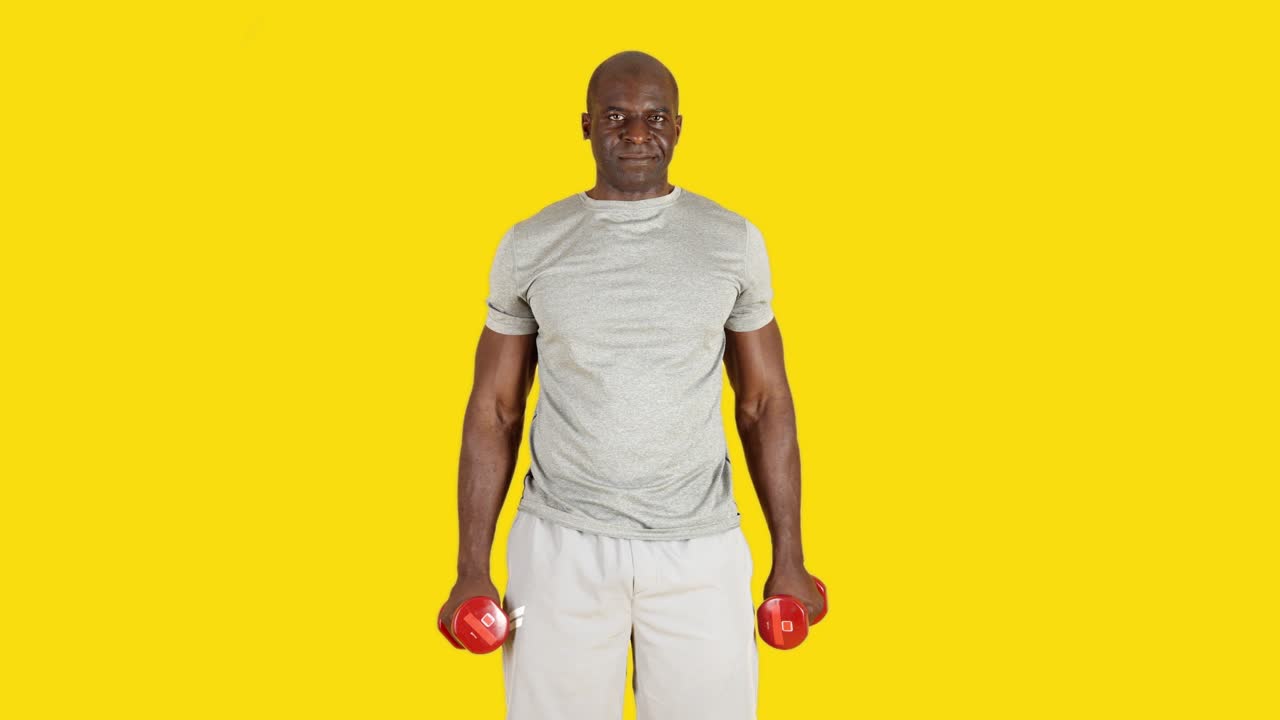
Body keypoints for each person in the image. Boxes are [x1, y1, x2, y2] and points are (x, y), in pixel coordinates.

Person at [438, 50, 821, 720]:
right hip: (561, 544)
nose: (637, 133)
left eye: (654, 117)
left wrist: (790, 555)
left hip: (699, 546)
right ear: (585, 125)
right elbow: (494, 409)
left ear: (679, 126)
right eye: (616, 116)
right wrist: (472, 565)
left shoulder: (731, 241)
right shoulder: (533, 243)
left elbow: (765, 404)